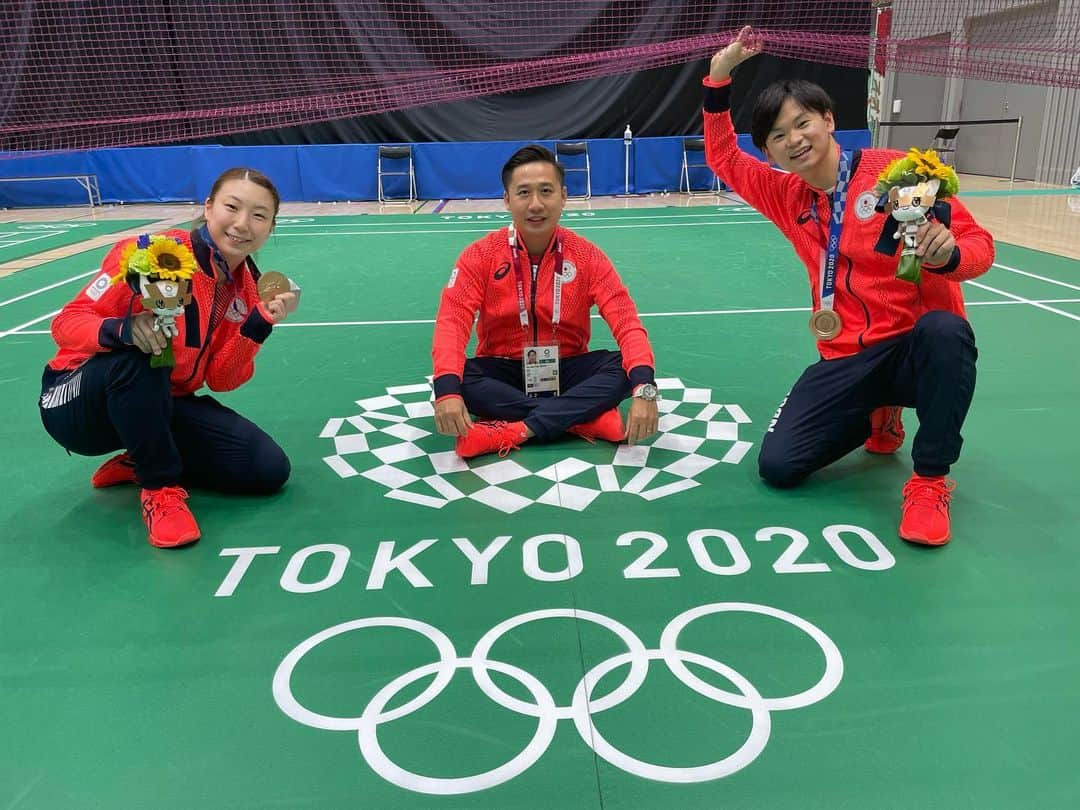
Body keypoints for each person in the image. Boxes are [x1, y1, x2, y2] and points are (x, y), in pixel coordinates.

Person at [703, 27, 994, 546]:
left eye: (802, 123)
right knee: (779, 465)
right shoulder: (784, 193)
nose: (794, 140)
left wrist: (950, 255)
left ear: (829, 120)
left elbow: (978, 245)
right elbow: (723, 157)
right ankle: (877, 414)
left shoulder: (899, 175)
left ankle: (929, 482)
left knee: (947, 333)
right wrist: (719, 76)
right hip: (845, 355)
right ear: (769, 151)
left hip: (912, 347)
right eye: (777, 135)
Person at [39, 167, 298, 549]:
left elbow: (221, 378)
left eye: (259, 215)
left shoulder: (247, 289)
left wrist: (258, 323)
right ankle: (160, 487)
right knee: (142, 353)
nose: (243, 224)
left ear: (271, 226)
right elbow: (67, 322)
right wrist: (122, 330)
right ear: (209, 208)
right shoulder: (150, 254)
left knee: (266, 468)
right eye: (232, 206)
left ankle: (136, 459)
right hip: (76, 401)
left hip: (158, 401)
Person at [432, 145, 661, 459]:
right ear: (507, 199)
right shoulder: (481, 255)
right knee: (462, 379)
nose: (536, 204)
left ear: (563, 196)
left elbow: (627, 323)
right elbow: (452, 322)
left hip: (566, 368)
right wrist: (446, 391)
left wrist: (644, 391)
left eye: (546, 191)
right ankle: (582, 419)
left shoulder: (587, 256)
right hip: (504, 369)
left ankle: (516, 428)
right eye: (524, 192)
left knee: (625, 369)